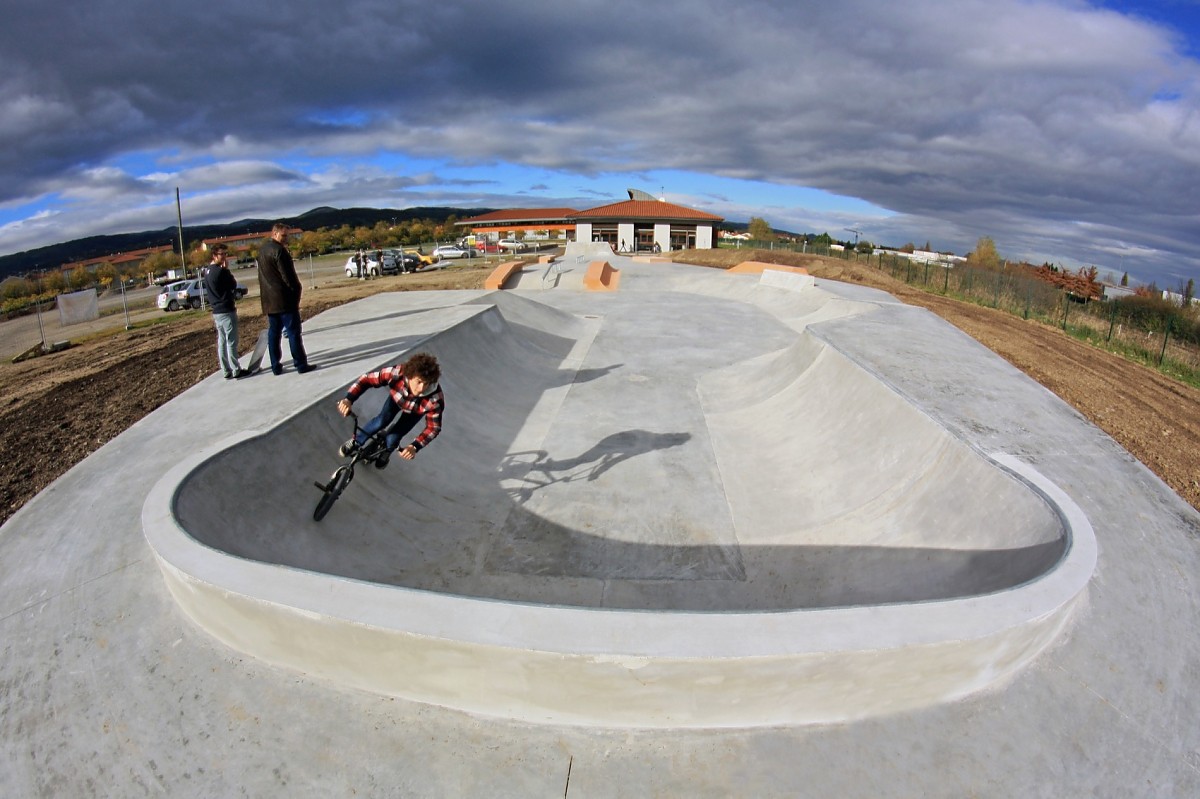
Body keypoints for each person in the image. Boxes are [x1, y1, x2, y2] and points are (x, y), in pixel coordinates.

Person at [336, 352, 444, 469]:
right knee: (381, 421)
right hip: (396, 400)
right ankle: (356, 441)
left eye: (426, 383)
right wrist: (348, 399)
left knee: (393, 437)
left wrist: (415, 446)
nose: (422, 388)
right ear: (410, 375)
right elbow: (366, 380)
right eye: (418, 381)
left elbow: (433, 428)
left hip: (415, 412)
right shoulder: (397, 373)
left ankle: (387, 451)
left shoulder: (435, 399)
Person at [257, 223, 312, 375]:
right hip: (284, 300)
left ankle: (275, 365)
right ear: (274, 234)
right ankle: (300, 364)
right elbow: (288, 276)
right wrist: (296, 290)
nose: (286, 238)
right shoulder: (279, 251)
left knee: (274, 334)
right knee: (293, 333)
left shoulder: (262, 251)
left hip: (269, 301)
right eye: (283, 235)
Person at [203, 244, 248, 380]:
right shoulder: (221, 271)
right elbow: (233, 284)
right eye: (221, 254)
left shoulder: (207, 271)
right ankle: (236, 369)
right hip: (226, 309)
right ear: (214, 255)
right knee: (231, 341)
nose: (224, 257)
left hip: (216, 311)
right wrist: (226, 270)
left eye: (225, 254)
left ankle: (226, 369)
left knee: (222, 341)